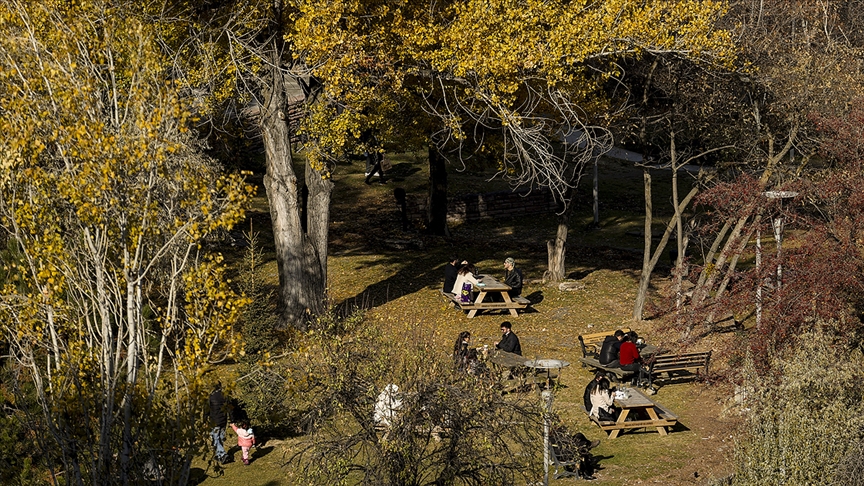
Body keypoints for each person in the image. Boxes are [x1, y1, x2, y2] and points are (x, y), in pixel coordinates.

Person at [209, 382, 230, 464]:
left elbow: (207, 409)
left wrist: (204, 419)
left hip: (215, 420)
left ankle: (223, 454)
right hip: (223, 420)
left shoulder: (211, 397)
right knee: (220, 437)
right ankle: (219, 455)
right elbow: (229, 408)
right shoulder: (225, 396)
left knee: (216, 438)